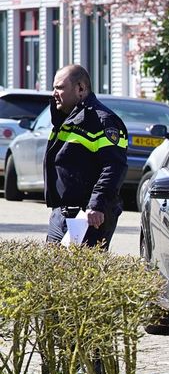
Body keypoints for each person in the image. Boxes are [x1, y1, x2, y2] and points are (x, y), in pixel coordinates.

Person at [44, 65, 128, 249]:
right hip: (62, 214)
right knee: (51, 271)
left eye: (59, 87)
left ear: (80, 88)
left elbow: (114, 167)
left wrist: (96, 205)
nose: (54, 93)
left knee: (82, 274)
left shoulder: (103, 121)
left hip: (89, 217)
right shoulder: (65, 119)